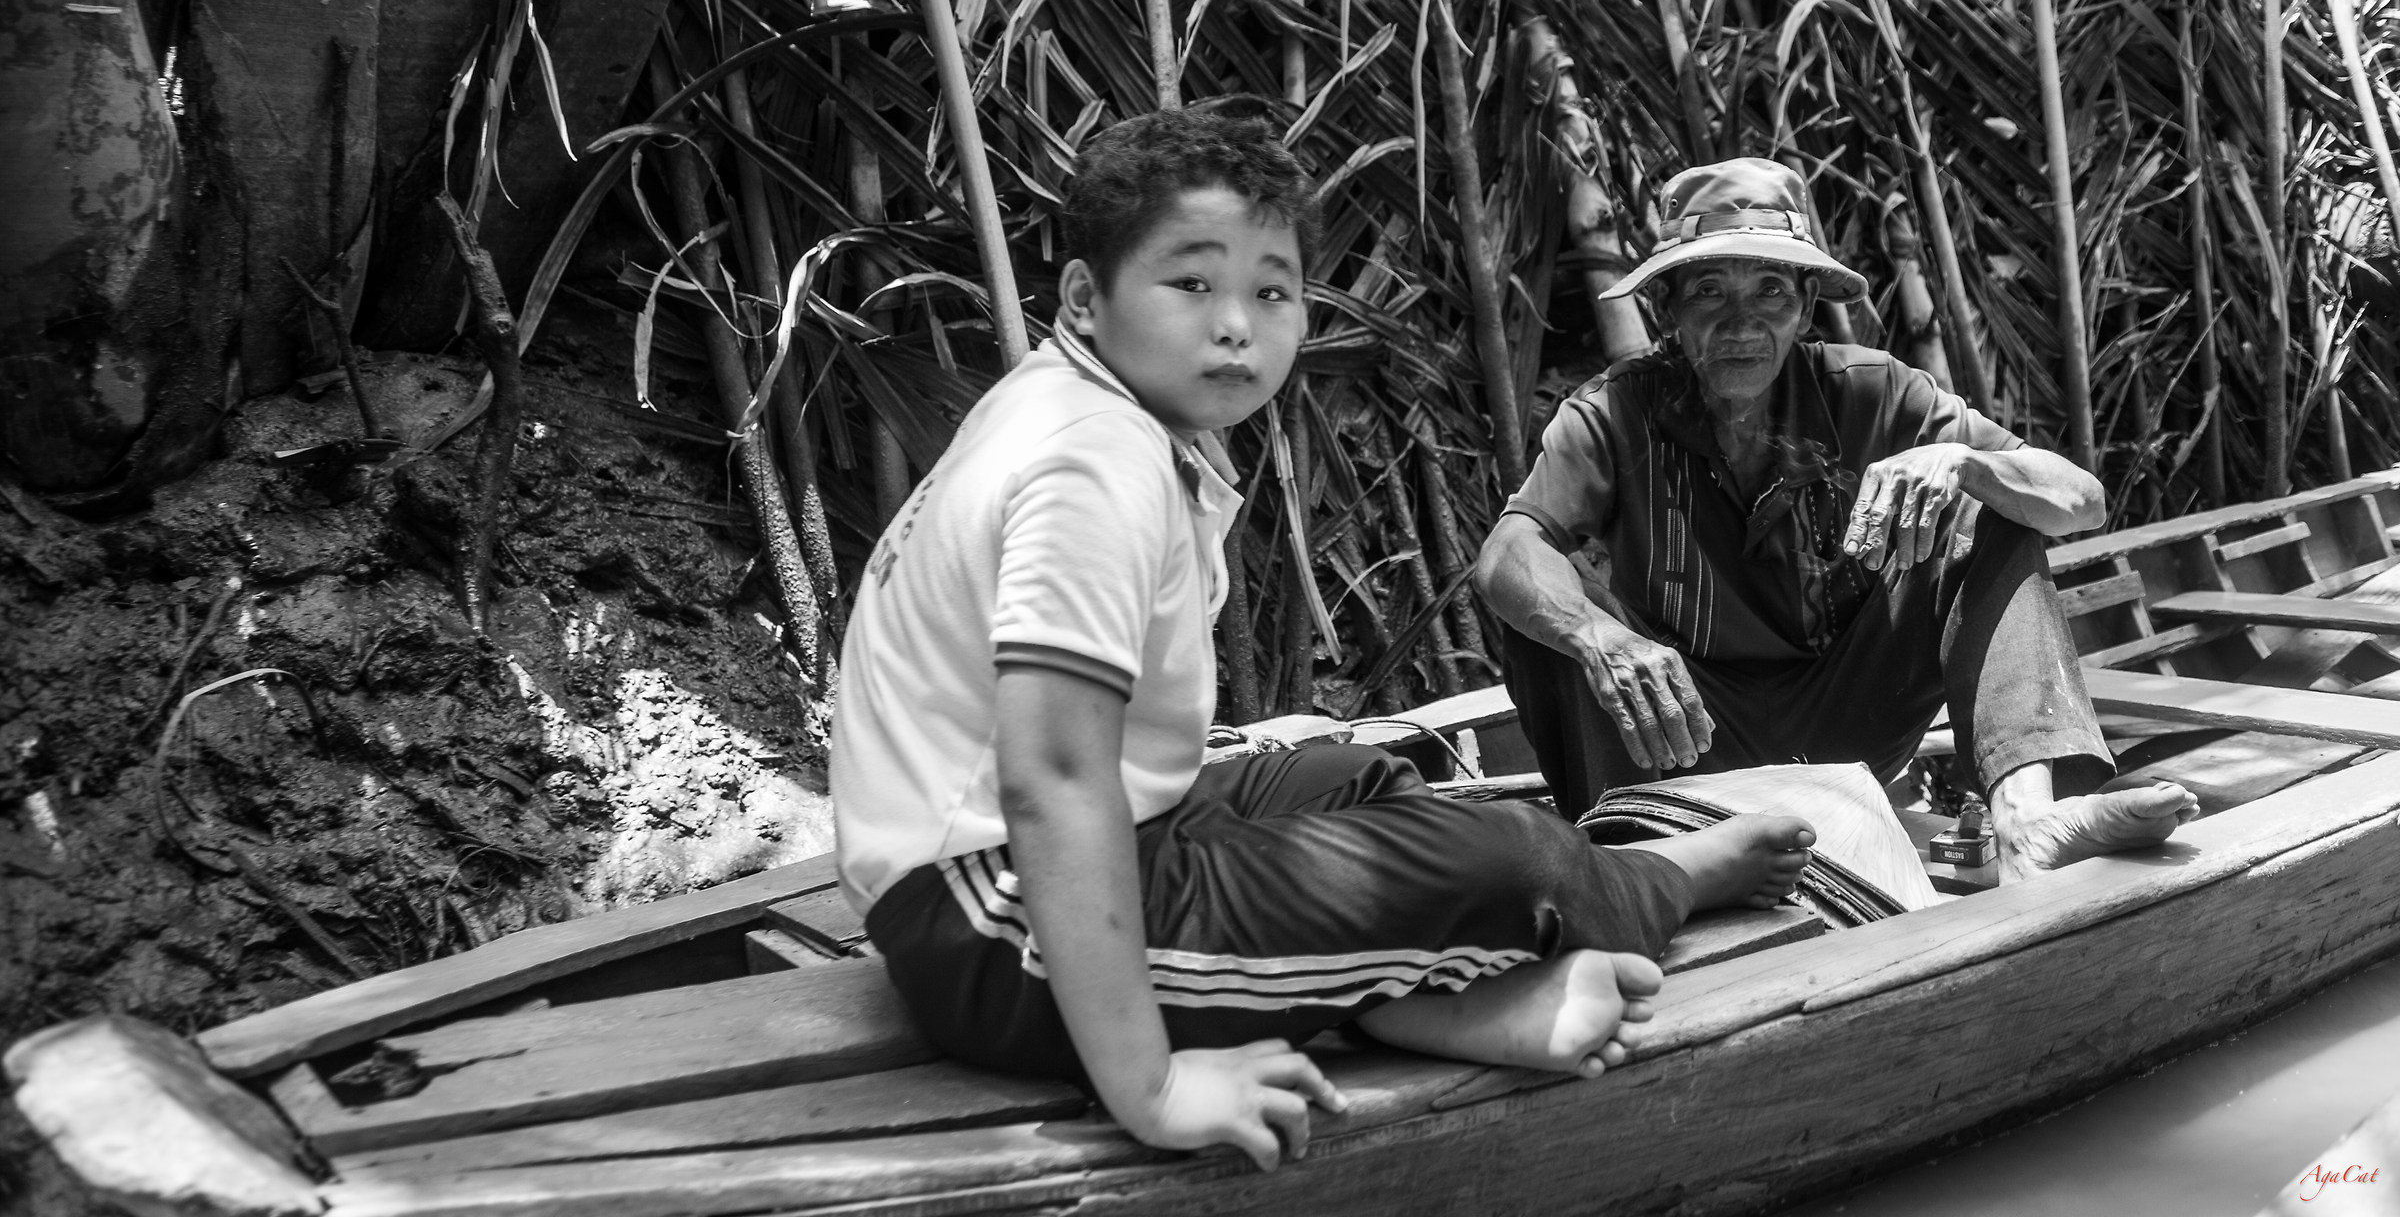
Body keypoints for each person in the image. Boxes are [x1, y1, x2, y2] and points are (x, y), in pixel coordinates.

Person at [831, 109, 1814, 1173]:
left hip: (1025, 860)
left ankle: (1415, 1006)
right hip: (993, 926)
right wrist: (1152, 1087)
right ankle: (1666, 879)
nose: (1235, 327)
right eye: (1190, 283)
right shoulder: (1091, 466)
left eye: (1270, 291)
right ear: (1084, 296)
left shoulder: (1082, 405)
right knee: (1512, 855)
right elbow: (1053, 781)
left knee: (1359, 773)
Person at [1475, 157, 2198, 884]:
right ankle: (1638, 858)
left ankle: (2026, 823)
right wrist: (1601, 639)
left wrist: (1965, 464)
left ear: (1807, 302)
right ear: (1668, 307)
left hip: (1848, 725)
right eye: (1707, 292)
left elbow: (2083, 501)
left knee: (1990, 509)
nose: (1741, 323)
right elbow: (1505, 552)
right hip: (1678, 741)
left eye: (1770, 292)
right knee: (1546, 599)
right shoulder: (1615, 412)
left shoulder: (1872, 390)